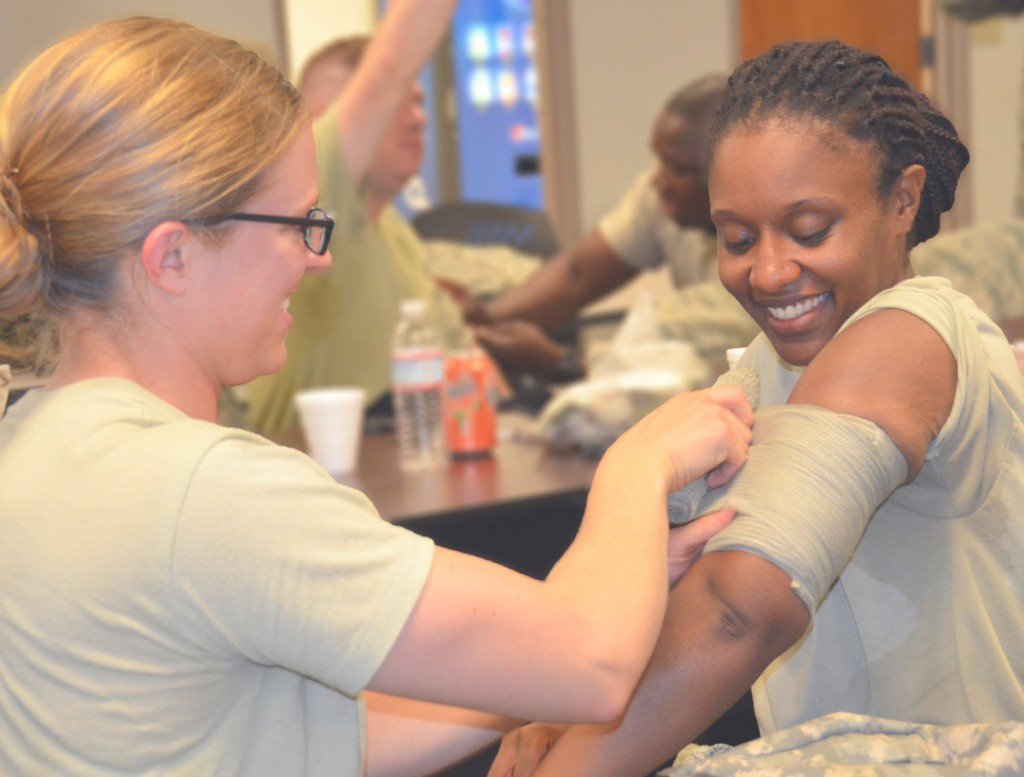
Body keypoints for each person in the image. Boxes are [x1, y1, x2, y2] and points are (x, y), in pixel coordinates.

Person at [0, 15, 758, 776]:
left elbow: (303, 738)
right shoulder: (203, 491)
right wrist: (636, 464)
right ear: (173, 255)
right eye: (296, 224)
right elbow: (593, 664)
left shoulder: (32, 440)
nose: (315, 258)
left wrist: (604, 589)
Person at [490, 39, 1024, 776]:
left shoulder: (914, 333)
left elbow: (739, 607)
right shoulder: (767, 368)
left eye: (810, 231)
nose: (768, 270)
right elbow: (666, 577)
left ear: (902, 200)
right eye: (737, 238)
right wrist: (558, 707)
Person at [245, 4, 465, 435]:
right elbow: (388, 69)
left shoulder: (394, 229)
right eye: (400, 105)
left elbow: (463, 362)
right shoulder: (316, 202)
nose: (419, 119)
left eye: (421, 103)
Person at [446, 74, 759, 375]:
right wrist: (484, 321)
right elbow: (577, 274)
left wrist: (561, 364)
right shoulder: (666, 199)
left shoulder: (762, 262)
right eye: (660, 160)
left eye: (678, 168)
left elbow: (675, 369)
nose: (659, 181)